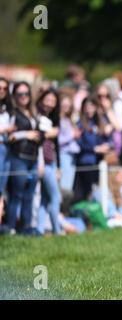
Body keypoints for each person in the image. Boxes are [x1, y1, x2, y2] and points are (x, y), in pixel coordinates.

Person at [7, 82, 42, 234]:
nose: (23, 97)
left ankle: (26, 227)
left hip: (33, 158)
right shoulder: (12, 113)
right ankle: (11, 227)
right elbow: (9, 135)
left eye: (26, 93)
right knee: (16, 194)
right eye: (20, 94)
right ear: (14, 96)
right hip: (18, 157)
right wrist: (25, 134)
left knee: (29, 195)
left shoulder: (33, 113)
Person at [35, 88, 62, 235]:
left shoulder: (54, 119)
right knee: (56, 197)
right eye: (48, 100)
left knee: (45, 199)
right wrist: (40, 163)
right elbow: (38, 141)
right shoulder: (37, 117)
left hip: (52, 162)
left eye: (53, 101)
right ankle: (57, 230)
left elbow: (56, 146)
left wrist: (58, 167)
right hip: (43, 163)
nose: (50, 104)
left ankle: (39, 230)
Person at [0, 77, 15, 221]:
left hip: (7, 149)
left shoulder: (8, 109)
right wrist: (5, 129)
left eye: (5, 88)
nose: (2, 91)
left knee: (2, 189)